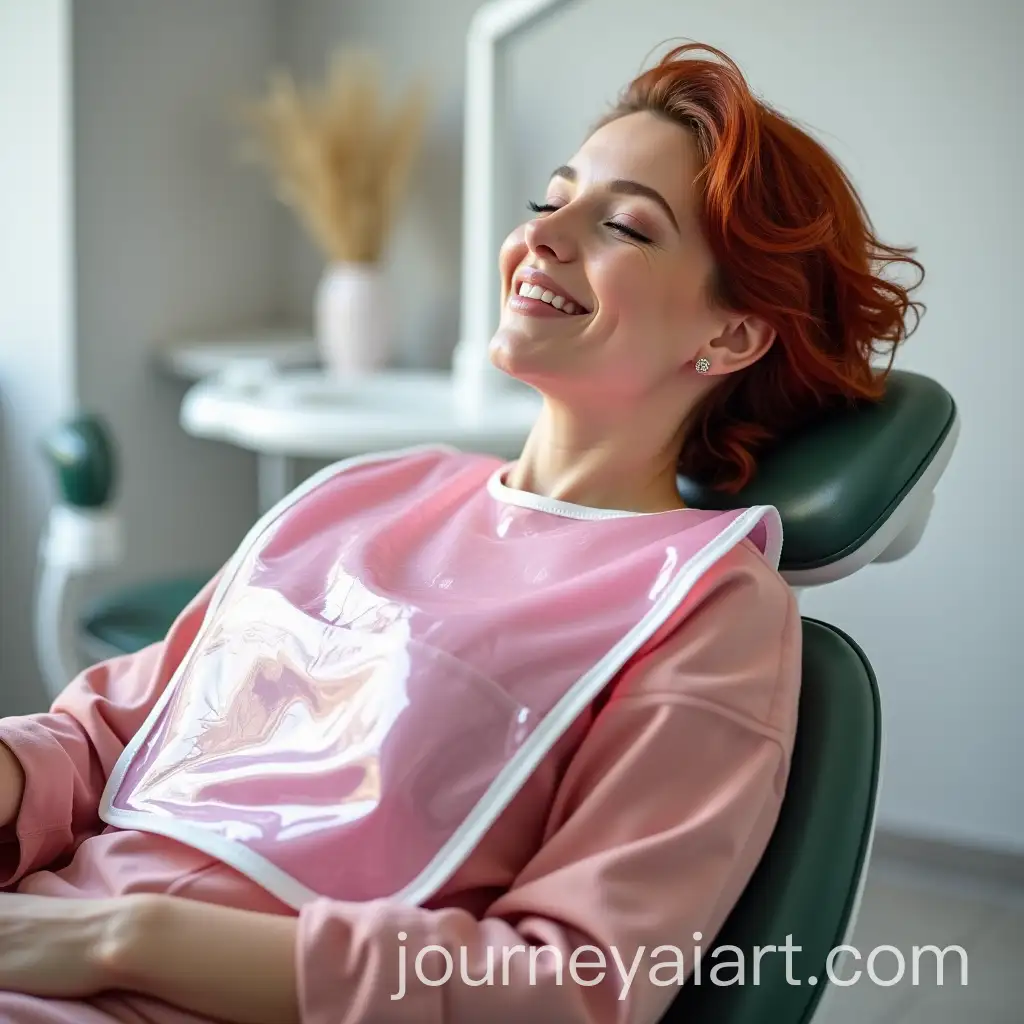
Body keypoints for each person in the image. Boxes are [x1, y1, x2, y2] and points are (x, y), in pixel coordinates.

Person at [0, 42, 922, 1024]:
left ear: (731, 335)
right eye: (549, 201)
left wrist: (125, 936)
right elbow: (109, 738)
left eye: (620, 225)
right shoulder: (365, 494)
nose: (542, 237)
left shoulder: (709, 614)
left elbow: (567, 986)